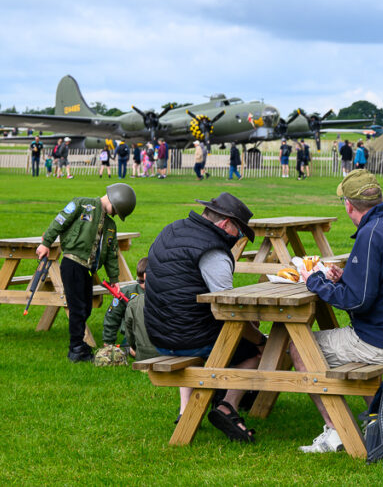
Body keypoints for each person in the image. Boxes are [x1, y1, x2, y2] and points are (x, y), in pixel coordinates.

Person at [294, 170, 383, 453]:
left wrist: (314, 281)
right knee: (332, 345)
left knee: (299, 347)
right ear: (379, 197)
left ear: (348, 204)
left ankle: (337, 432)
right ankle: (380, 421)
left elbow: (357, 302)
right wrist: (345, 275)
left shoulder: (371, 234)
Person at [144, 192, 263, 442]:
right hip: (191, 338)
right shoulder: (214, 250)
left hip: (158, 333)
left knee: (190, 326)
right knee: (257, 352)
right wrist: (260, 338)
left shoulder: (171, 230)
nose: (238, 239)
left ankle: (186, 410)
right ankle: (227, 406)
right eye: (239, 233)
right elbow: (227, 308)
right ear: (226, 224)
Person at [36, 183, 137, 362]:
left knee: (86, 307)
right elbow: (59, 221)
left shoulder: (111, 225)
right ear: (115, 200)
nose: (114, 214)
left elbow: (112, 255)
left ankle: (79, 345)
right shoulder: (82, 204)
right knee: (77, 308)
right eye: (116, 210)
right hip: (72, 263)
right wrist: (46, 244)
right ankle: (76, 349)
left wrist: (114, 279)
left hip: (88, 270)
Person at [101, 256, 158, 361]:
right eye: (140, 281)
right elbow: (112, 316)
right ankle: (128, 349)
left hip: (156, 334)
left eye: (148, 281)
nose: (144, 285)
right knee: (131, 349)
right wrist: (108, 341)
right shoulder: (127, 293)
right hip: (133, 335)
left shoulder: (162, 293)